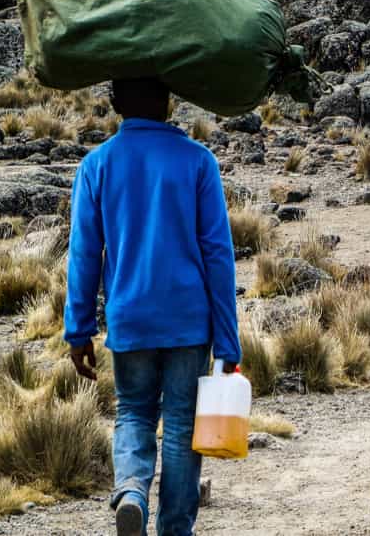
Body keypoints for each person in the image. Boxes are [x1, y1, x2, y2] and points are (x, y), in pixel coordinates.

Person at [67, 78, 241, 536]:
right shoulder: (198, 162)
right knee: (184, 426)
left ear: (117, 105)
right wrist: (228, 339)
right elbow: (218, 255)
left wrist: (78, 329)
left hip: (130, 318)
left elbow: (85, 254)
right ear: (168, 104)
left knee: (133, 412)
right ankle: (175, 529)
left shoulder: (96, 165)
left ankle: (131, 491)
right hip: (189, 321)